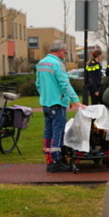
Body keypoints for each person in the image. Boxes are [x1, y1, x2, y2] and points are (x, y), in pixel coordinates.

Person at [36, 39, 84, 172]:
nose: (65, 55)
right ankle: (56, 160)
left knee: (49, 131)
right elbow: (65, 84)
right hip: (57, 103)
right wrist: (75, 100)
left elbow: (38, 84)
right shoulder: (58, 64)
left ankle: (49, 159)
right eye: (65, 52)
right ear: (60, 51)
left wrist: (45, 96)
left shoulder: (41, 63)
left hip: (46, 103)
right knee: (58, 131)